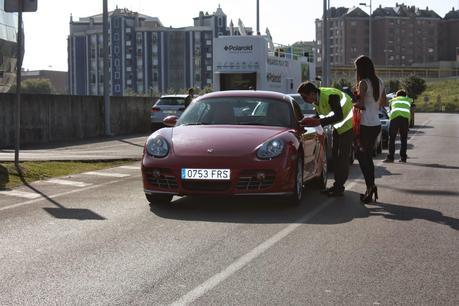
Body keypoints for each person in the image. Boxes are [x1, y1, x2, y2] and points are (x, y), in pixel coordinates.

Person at [297, 81, 354, 197]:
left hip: (348, 127)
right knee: (336, 157)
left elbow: (339, 116)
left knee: (342, 158)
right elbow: (321, 117)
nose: (304, 100)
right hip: (338, 128)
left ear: (312, 93)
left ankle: (339, 187)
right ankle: (337, 185)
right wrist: (306, 121)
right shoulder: (317, 101)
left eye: (304, 97)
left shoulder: (330, 96)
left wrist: (318, 121)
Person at [353, 55, 386, 204]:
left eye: (356, 68)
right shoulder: (380, 82)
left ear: (361, 68)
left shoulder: (363, 83)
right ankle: (370, 188)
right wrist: (372, 103)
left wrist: (354, 102)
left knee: (361, 156)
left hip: (365, 124)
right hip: (376, 124)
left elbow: (360, 105)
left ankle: (370, 187)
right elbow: (384, 102)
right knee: (367, 156)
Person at [384, 89, 413, 163]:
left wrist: (391, 118)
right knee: (403, 139)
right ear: (405, 95)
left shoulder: (393, 100)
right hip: (404, 120)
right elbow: (409, 112)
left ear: (397, 95)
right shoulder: (408, 101)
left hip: (394, 119)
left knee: (392, 139)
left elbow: (389, 112)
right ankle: (403, 158)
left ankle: (391, 158)